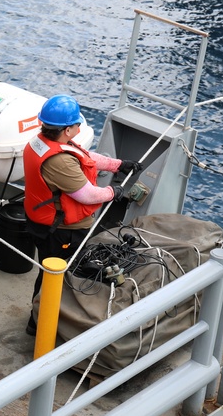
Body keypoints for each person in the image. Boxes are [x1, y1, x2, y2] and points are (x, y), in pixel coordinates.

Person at [22, 94, 140, 335]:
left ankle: (39, 321)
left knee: (49, 273)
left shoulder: (42, 142)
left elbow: (84, 158)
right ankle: (40, 325)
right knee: (57, 277)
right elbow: (86, 195)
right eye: (77, 124)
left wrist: (118, 165)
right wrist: (113, 191)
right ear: (67, 130)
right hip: (61, 231)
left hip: (43, 222)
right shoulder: (60, 163)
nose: (80, 127)